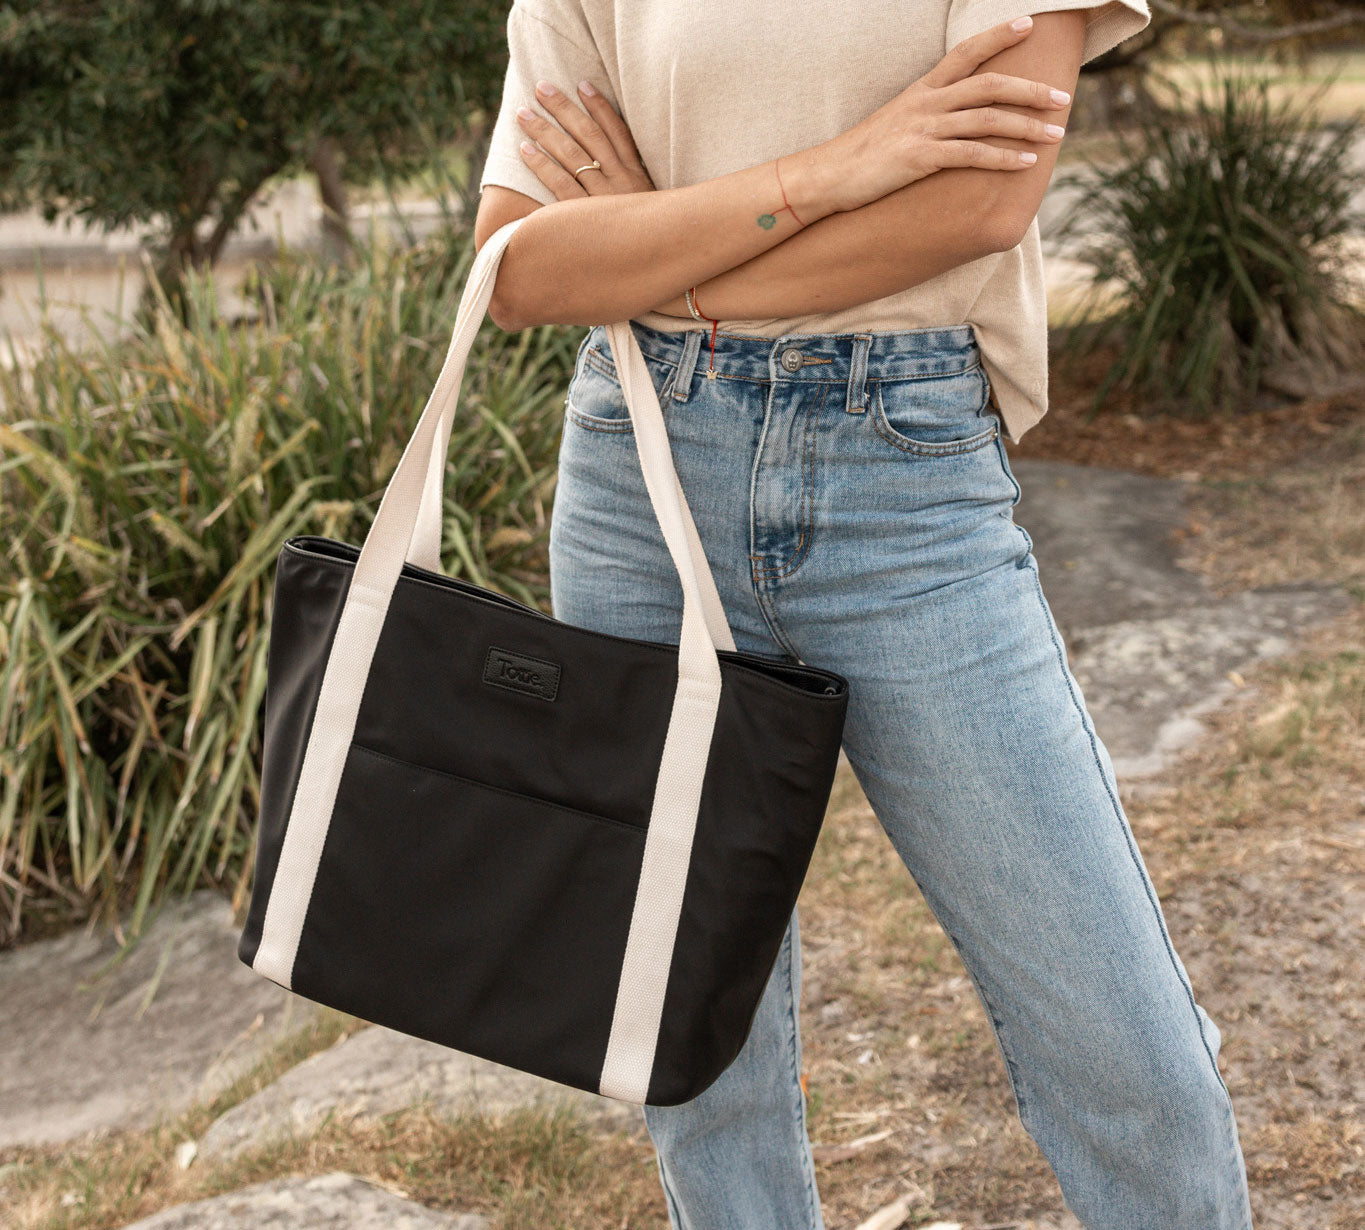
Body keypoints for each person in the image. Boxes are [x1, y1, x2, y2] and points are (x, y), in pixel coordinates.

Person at [472, 2, 1255, 1226]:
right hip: (640, 491)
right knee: (697, 1049)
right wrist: (835, 172)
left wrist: (659, 249)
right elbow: (519, 265)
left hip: (905, 494)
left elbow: (976, 204)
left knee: (1127, 1049)